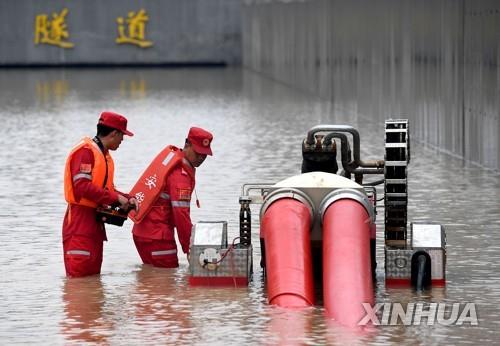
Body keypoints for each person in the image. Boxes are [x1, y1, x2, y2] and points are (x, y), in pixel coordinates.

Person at [62, 111, 137, 277]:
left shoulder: (103, 155)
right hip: (79, 224)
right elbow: (81, 187)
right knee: (79, 281)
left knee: (92, 284)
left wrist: (127, 197)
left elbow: (106, 190)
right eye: (122, 136)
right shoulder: (86, 152)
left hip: (94, 225)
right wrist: (116, 198)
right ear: (114, 134)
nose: (122, 140)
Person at [132, 127, 213, 268]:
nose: (201, 158)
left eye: (205, 154)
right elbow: (181, 215)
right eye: (198, 153)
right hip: (158, 237)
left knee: (151, 282)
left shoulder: (173, 162)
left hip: (141, 233)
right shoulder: (180, 176)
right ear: (187, 145)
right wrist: (190, 249)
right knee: (166, 282)